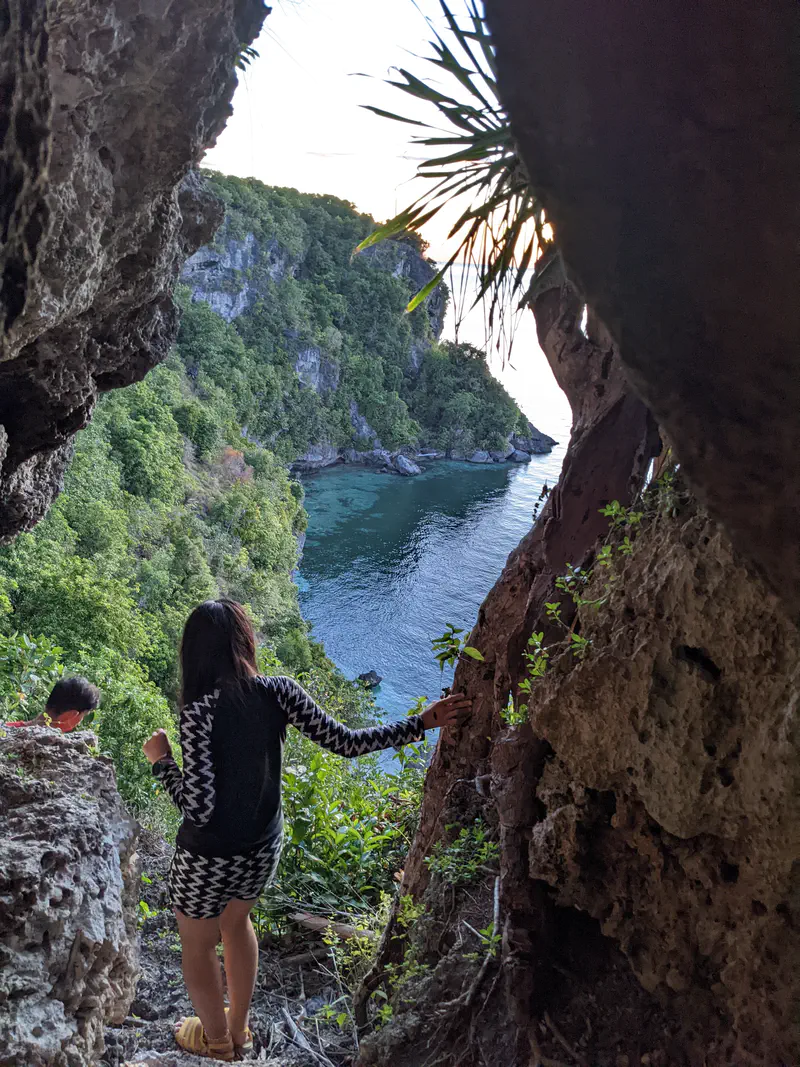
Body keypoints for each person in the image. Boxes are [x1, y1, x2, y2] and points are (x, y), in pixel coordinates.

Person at [142, 598, 471, 1062]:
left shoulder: (199, 710)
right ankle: (240, 1030)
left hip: (207, 858)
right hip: (261, 847)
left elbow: (199, 809)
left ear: (193, 654)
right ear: (244, 642)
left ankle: (215, 1041)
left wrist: (162, 762)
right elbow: (346, 743)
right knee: (237, 924)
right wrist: (420, 723)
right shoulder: (280, 691)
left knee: (197, 944)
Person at [5, 676, 101, 733]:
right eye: (83, 716)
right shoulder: (60, 751)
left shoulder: (5, 730)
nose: (80, 722)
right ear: (70, 715)